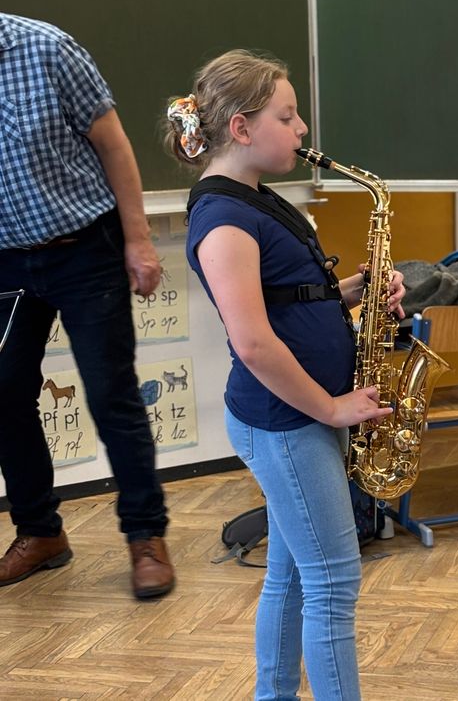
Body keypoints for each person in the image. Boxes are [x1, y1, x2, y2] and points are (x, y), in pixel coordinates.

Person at [164, 49, 404, 701]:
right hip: (287, 420)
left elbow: (286, 301)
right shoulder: (224, 219)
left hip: (296, 417)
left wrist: (355, 290)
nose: (302, 130)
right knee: (333, 581)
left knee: (296, 574)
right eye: (288, 116)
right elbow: (253, 341)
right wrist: (330, 408)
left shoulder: (254, 199)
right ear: (241, 128)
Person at [0, 13, 174, 599]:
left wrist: (138, 240)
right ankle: (40, 532)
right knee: (3, 394)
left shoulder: (47, 48)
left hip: (84, 249)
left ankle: (145, 537)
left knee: (109, 393)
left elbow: (114, 145)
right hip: (5, 260)